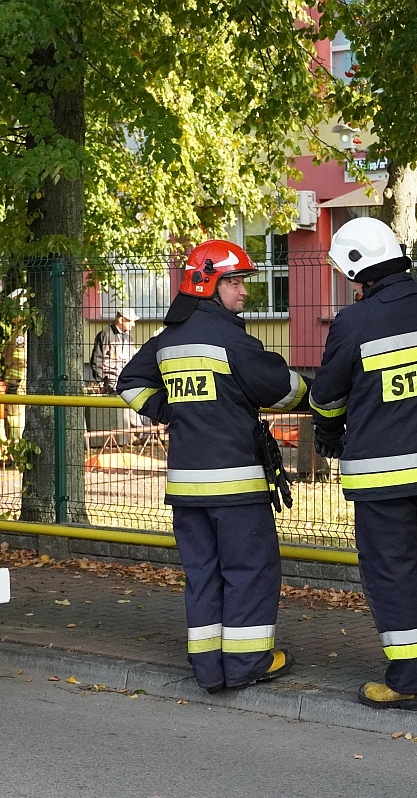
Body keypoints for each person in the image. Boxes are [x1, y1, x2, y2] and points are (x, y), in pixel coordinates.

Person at [116, 239, 308, 694]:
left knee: (202, 574)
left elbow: (129, 384)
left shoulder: (167, 340)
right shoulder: (232, 341)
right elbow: (283, 389)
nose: (244, 293)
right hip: (236, 486)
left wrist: (172, 411)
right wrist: (323, 393)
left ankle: (208, 669)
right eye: (236, 283)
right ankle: (244, 665)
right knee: (249, 571)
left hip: (186, 486)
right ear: (208, 283)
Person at [310, 218, 417, 711]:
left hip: (385, 477)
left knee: (393, 573)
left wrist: (328, 429)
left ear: (357, 268)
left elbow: (325, 397)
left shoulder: (355, 322)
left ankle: (409, 680)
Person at [89, 308, 140, 395]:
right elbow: (97, 359)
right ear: (121, 320)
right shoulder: (106, 335)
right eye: (130, 321)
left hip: (126, 379)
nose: (133, 324)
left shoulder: (129, 337)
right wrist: (101, 382)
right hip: (110, 381)